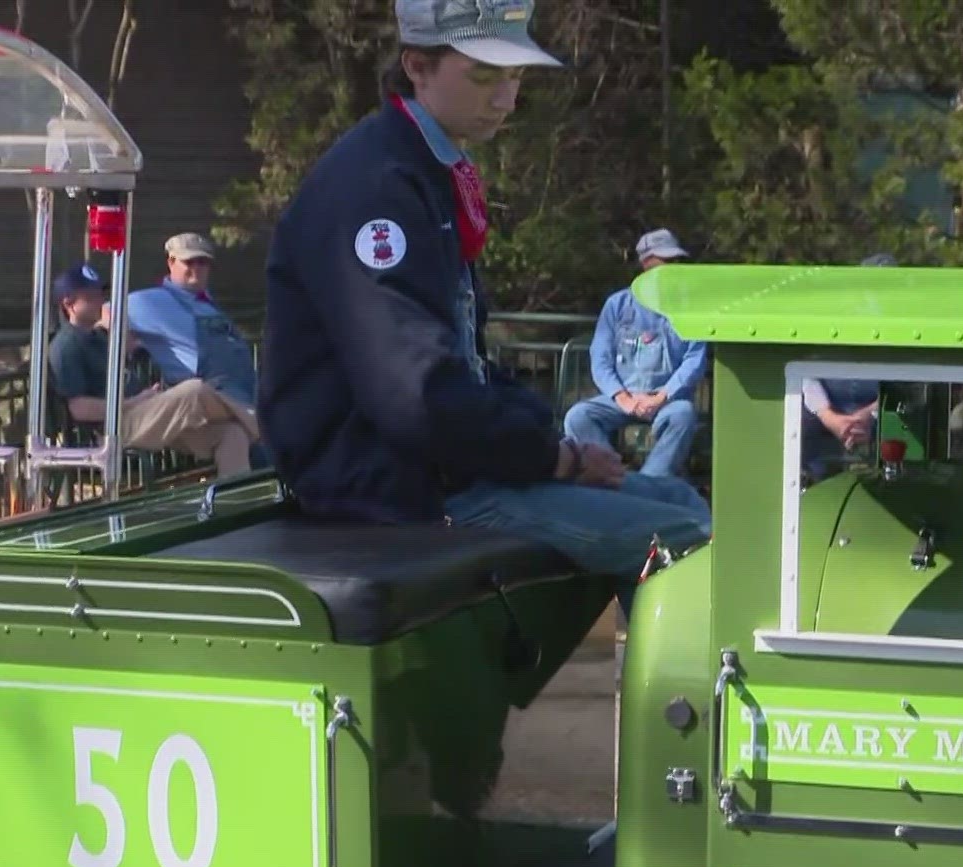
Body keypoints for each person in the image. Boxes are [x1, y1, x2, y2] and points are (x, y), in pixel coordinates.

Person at [257, 0, 711, 614]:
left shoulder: (426, 165)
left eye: (516, 76)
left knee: (681, 503)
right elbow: (416, 397)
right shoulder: (377, 186)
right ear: (416, 66)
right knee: (690, 539)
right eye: (483, 74)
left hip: (444, 467)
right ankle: (673, 708)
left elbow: (464, 362)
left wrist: (540, 439)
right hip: (393, 487)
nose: (506, 98)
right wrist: (559, 459)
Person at [48, 263, 259, 477]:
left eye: (100, 293)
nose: (100, 301)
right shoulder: (66, 346)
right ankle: (264, 427)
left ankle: (237, 501)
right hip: (113, 427)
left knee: (231, 434)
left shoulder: (99, 336)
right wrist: (133, 402)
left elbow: (131, 344)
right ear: (69, 304)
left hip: (144, 413)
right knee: (194, 391)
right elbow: (79, 409)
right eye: (90, 297)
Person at [562, 229, 708, 477]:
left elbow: (695, 358)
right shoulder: (617, 304)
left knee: (683, 415)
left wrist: (661, 396)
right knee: (577, 416)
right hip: (622, 397)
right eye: (666, 261)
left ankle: (649, 483)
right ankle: (614, 472)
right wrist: (623, 398)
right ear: (646, 262)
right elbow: (600, 358)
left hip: (668, 400)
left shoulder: (691, 307)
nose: (673, 267)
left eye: (676, 261)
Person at [126, 233, 260, 412]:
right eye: (189, 262)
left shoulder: (208, 303)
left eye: (202, 262)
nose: (196, 268)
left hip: (244, 396)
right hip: (205, 404)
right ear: (171, 262)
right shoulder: (152, 301)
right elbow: (104, 312)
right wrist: (127, 343)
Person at [799, 254, 895, 480]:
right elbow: (806, 375)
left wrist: (870, 414)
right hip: (825, 414)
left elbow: (908, 383)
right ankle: (807, 484)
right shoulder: (832, 321)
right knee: (795, 423)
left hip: (879, 413)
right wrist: (829, 417)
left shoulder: (908, 325)